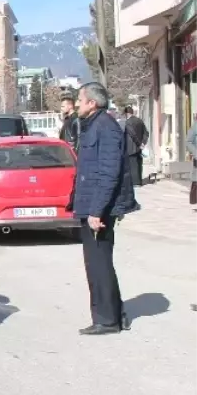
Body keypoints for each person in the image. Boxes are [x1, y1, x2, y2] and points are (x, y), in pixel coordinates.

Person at [70, 83, 138, 336]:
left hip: (98, 209)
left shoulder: (105, 127)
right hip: (91, 206)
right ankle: (115, 314)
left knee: (99, 264)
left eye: (80, 99)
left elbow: (109, 174)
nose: (77, 103)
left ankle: (107, 320)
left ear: (92, 103)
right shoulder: (95, 125)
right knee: (98, 263)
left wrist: (96, 211)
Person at [122, 106, 148, 187]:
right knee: (139, 164)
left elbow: (132, 134)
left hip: (131, 147)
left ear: (127, 113)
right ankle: (139, 181)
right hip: (139, 148)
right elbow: (146, 133)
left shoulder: (128, 122)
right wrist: (143, 143)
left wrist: (139, 143)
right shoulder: (139, 121)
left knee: (132, 164)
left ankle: (135, 182)